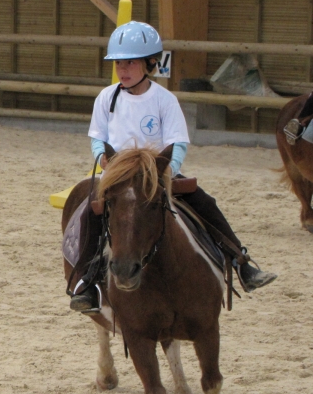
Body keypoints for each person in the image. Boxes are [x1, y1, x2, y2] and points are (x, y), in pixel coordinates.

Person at [69, 21, 277, 313]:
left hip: (157, 175)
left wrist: (167, 170)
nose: (122, 69)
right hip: (117, 179)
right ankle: (85, 282)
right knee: (91, 214)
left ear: (150, 63)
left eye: (130, 62)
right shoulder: (106, 98)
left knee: (205, 203)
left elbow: (177, 143)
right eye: (119, 63)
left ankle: (241, 263)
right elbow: (97, 138)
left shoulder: (165, 100)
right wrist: (102, 159)